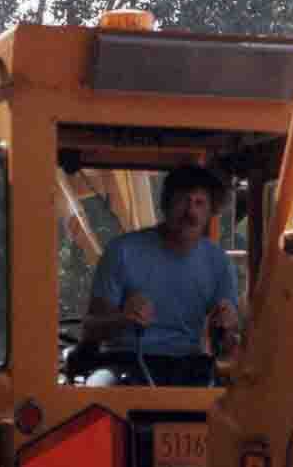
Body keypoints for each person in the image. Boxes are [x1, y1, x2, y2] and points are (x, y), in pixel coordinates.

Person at [80, 165, 240, 385]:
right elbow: (91, 328)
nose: (190, 212)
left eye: (199, 203)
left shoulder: (218, 261)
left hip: (189, 364)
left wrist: (228, 324)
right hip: (125, 360)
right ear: (165, 205)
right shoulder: (122, 251)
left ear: (210, 211)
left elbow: (228, 339)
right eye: (183, 201)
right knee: (99, 387)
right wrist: (124, 319)